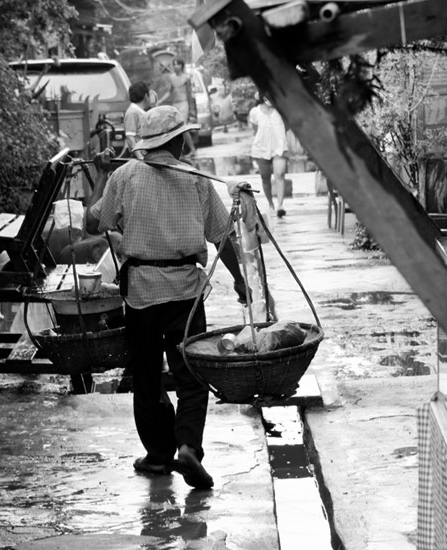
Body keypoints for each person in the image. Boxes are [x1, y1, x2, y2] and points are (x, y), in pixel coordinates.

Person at [85, 105, 249, 489]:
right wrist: (240, 280)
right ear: (178, 140)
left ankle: (159, 456)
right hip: (186, 295)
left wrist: (101, 176)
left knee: (146, 376)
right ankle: (189, 445)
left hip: (142, 293)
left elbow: (94, 222)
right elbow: (222, 236)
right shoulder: (195, 180)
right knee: (191, 374)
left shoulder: (124, 176)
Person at [248, 94, 288, 217]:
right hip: (261, 148)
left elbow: (287, 125)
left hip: (279, 147)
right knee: (265, 178)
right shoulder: (255, 112)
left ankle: (280, 205)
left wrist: (281, 138)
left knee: (280, 174)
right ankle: (271, 204)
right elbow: (255, 129)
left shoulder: (281, 110)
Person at [123, 81, 156, 159]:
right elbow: (130, 137)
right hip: (139, 156)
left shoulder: (140, 111)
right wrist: (140, 157)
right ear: (146, 96)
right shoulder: (132, 112)